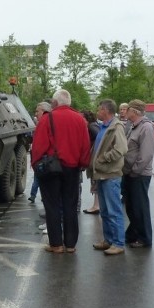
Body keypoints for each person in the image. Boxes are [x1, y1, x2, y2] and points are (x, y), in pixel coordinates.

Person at [31, 88, 91, 254]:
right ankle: (70, 244)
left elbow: (38, 146)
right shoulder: (80, 119)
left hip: (51, 168)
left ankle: (56, 244)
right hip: (72, 168)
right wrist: (83, 163)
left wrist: (36, 165)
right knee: (70, 206)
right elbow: (85, 145)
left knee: (52, 206)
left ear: (55, 103)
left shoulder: (46, 119)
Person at [89, 99, 128, 256]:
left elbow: (121, 149)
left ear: (106, 110)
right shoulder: (104, 127)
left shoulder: (116, 127)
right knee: (105, 211)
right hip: (102, 175)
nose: (97, 112)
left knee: (114, 211)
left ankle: (118, 243)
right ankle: (108, 240)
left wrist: (102, 159)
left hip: (110, 175)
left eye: (99, 109)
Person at [122, 99, 154, 248]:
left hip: (139, 175)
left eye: (127, 109)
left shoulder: (146, 127)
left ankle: (144, 238)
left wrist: (134, 170)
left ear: (134, 111)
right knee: (131, 206)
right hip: (130, 173)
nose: (125, 111)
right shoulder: (134, 127)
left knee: (139, 207)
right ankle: (133, 234)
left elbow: (146, 154)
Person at [28, 102, 51, 204]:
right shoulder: (42, 123)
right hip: (42, 161)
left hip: (44, 161)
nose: (35, 114)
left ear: (44, 111)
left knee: (42, 182)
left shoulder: (45, 123)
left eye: (37, 111)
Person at [80, 108, 100, 214]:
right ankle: (96, 205)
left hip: (95, 157)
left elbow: (99, 139)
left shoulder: (91, 126)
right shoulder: (93, 125)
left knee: (95, 179)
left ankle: (96, 206)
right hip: (94, 157)